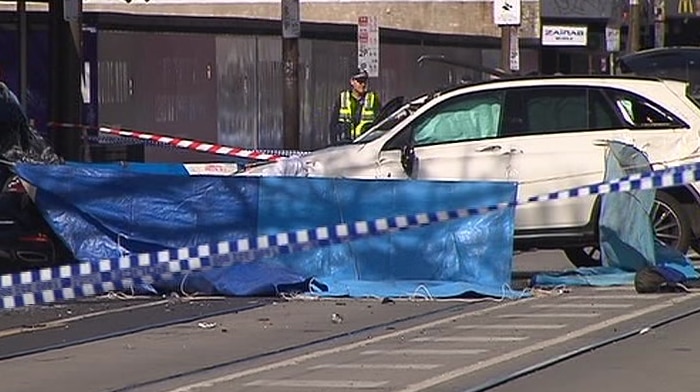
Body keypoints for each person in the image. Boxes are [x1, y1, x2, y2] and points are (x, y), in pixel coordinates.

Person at [329, 69, 381, 143]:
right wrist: (334, 143)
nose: (363, 84)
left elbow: (380, 122)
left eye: (364, 81)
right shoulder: (343, 98)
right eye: (360, 81)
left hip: (365, 145)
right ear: (352, 82)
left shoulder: (372, 98)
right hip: (345, 145)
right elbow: (333, 124)